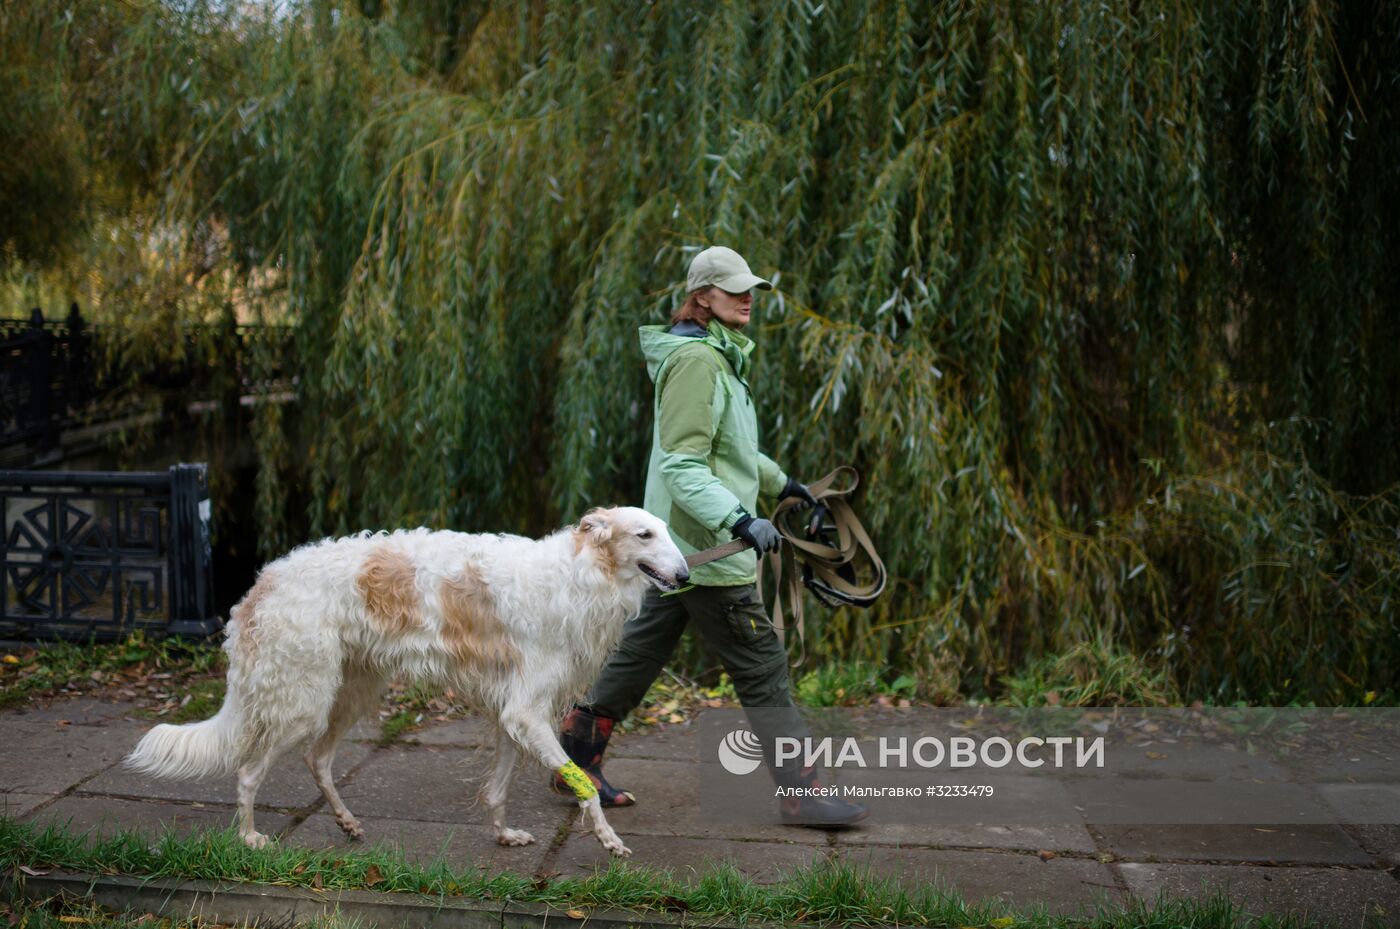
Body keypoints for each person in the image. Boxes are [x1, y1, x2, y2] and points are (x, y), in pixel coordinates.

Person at [554, 245, 868, 827]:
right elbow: (681, 463)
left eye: (751, 288)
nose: (748, 297)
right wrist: (741, 521)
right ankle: (802, 793)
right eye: (734, 288)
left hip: (684, 552)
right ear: (703, 296)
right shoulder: (698, 361)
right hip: (705, 552)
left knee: (635, 654)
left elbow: (732, 451)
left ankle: (573, 761)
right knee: (762, 665)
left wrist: (784, 484)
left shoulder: (717, 356)